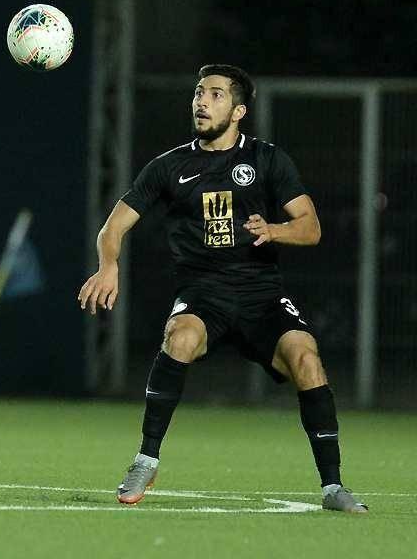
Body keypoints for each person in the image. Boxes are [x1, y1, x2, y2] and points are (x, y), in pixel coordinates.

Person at [78, 64, 367, 513]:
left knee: (307, 358)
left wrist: (274, 230)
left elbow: (310, 227)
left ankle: (333, 487)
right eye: (198, 92)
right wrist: (108, 265)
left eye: (215, 94)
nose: (201, 101)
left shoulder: (267, 160)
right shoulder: (169, 167)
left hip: (261, 295)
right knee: (180, 337)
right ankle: (145, 461)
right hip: (203, 294)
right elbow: (113, 226)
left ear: (238, 111)